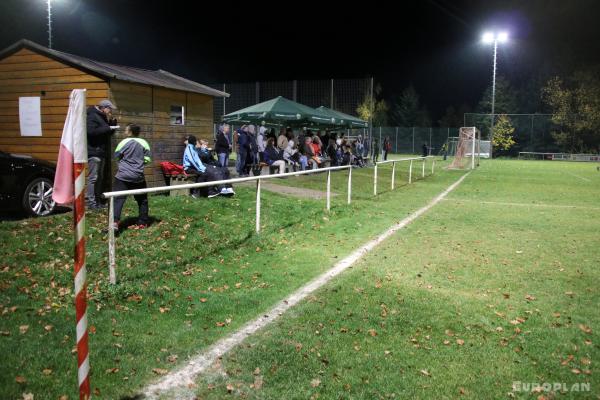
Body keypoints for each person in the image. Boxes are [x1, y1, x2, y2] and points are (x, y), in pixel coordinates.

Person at [112, 124, 150, 230]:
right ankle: (143, 222)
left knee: (118, 199)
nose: (124, 131)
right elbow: (147, 159)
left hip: (122, 176)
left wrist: (125, 164)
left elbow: (116, 156)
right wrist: (138, 165)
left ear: (130, 132)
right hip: (138, 176)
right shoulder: (144, 143)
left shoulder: (123, 142)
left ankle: (114, 222)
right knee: (142, 200)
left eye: (126, 129)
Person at [86, 99, 119, 209]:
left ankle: (98, 202)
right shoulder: (92, 115)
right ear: (104, 108)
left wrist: (112, 124)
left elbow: (106, 133)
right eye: (109, 109)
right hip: (94, 151)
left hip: (101, 152)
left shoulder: (102, 116)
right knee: (93, 178)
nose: (110, 111)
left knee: (99, 178)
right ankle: (91, 203)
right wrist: (107, 127)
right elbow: (91, 132)